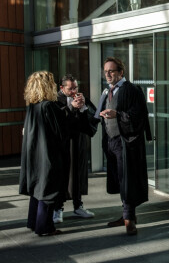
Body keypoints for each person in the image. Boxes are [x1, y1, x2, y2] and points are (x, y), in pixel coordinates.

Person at [96, 57, 151, 235]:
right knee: (121, 180)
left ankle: (129, 220)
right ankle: (128, 215)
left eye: (111, 71)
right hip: (111, 142)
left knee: (127, 179)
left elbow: (139, 115)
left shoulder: (132, 90)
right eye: (105, 71)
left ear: (121, 72)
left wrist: (118, 114)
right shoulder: (107, 91)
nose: (108, 74)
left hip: (125, 142)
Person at [19, 71, 69, 236]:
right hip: (48, 155)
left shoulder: (33, 107)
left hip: (35, 156)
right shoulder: (48, 106)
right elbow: (61, 132)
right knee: (48, 191)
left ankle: (34, 222)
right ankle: (44, 227)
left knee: (37, 190)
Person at [53, 74, 99, 223]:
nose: (74, 91)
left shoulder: (81, 98)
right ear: (62, 88)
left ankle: (78, 206)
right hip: (62, 144)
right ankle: (57, 208)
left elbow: (92, 118)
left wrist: (83, 107)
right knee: (62, 175)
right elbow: (57, 122)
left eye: (76, 87)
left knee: (78, 174)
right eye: (70, 88)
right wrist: (71, 108)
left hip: (78, 142)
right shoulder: (55, 100)